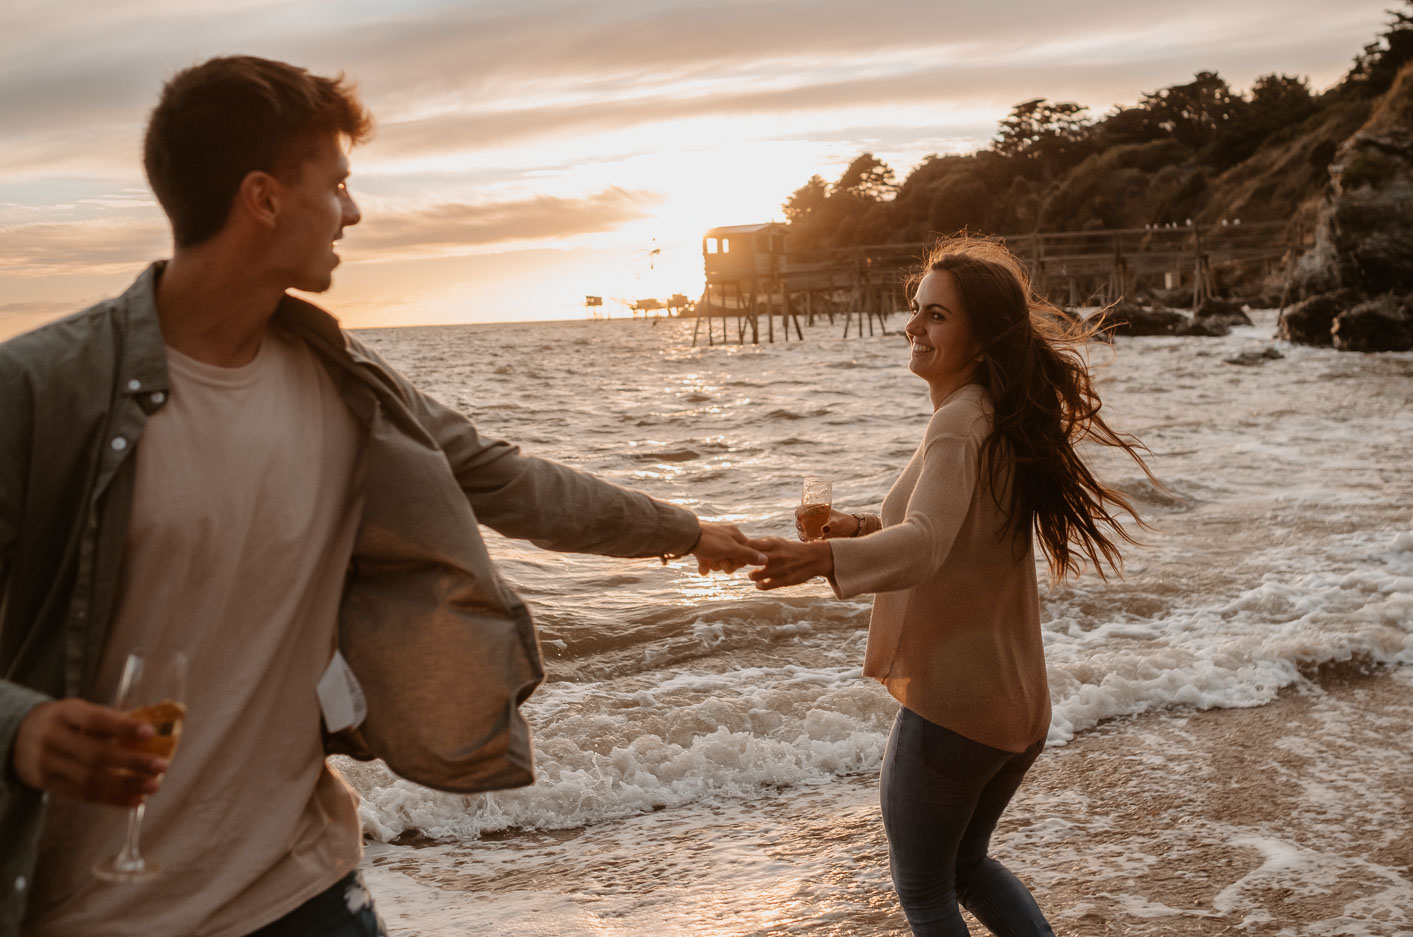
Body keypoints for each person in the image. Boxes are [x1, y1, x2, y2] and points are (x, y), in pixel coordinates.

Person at [0, 55, 763, 937]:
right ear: (264, 198)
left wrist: (688, 531)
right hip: (91, 910)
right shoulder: (41, 392)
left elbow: (512, 482)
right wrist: (21, 726)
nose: (353, 212)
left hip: (306, 890)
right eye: (339, 184)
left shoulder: (350, 388)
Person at [747, 236, 1156, 936]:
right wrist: (854, 525)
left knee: (925, 889)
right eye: (917, 311)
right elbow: (948, 525)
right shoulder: (995, 414)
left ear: (981, 336)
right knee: (967, 867)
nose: (912, 326)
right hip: (1017, 703)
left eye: (935, 315)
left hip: (955, 708)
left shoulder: (957, 425)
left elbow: (928, 544)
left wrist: (819, 561)